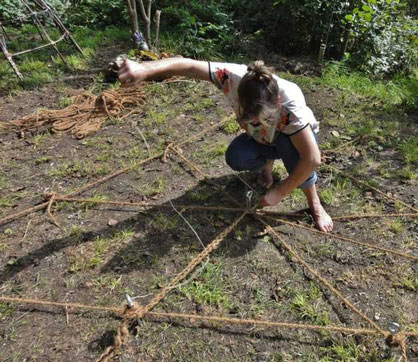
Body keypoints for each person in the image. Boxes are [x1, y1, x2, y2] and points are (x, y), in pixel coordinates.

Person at [118, 58, 334, 232]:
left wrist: (280, 191)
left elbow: (312, 158)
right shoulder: (232, 77)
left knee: (292, 150)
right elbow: (189, 65)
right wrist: (145, 68)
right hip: (262, 137)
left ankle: (314, 202)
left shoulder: (291, 108)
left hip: (292, 140)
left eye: (259, 118)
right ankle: (267, 164)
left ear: (276, 102)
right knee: (237, 156)